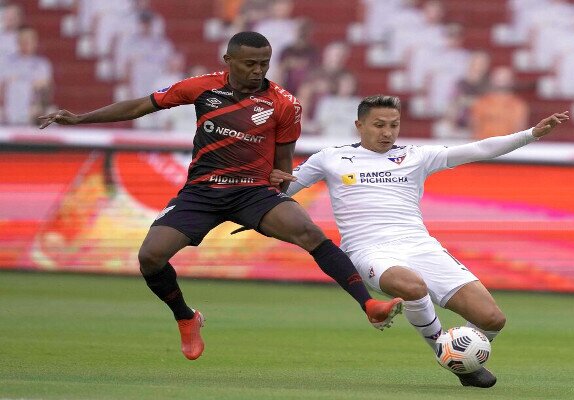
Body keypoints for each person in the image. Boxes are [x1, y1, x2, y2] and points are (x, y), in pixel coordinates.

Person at [38, 32, 403, 361]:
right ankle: (186, 317)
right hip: (202, 193)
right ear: (228, 61)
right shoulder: (201, 88)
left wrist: (279, 179)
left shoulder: (284, 104)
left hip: (253, 193)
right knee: (150, 257)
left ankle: (369, 304)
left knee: (309, 232)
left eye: (264, 63)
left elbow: (282, 165)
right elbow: (139, 106)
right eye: (249, 63)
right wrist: (79, 119)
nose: (257, 70)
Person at [268, 95, 569, 387]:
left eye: (394, 125)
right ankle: (449, 356)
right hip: (368, 251)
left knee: (492, 319)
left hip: (420, 246)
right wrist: (254, 205)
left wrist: (532, 134)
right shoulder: (330, 158)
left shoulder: (417, 156)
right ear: (359, 125)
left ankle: (463, 356)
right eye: (379, 125)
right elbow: (283, 191)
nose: (387, 132)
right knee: (412, 287)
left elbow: (479, 149)